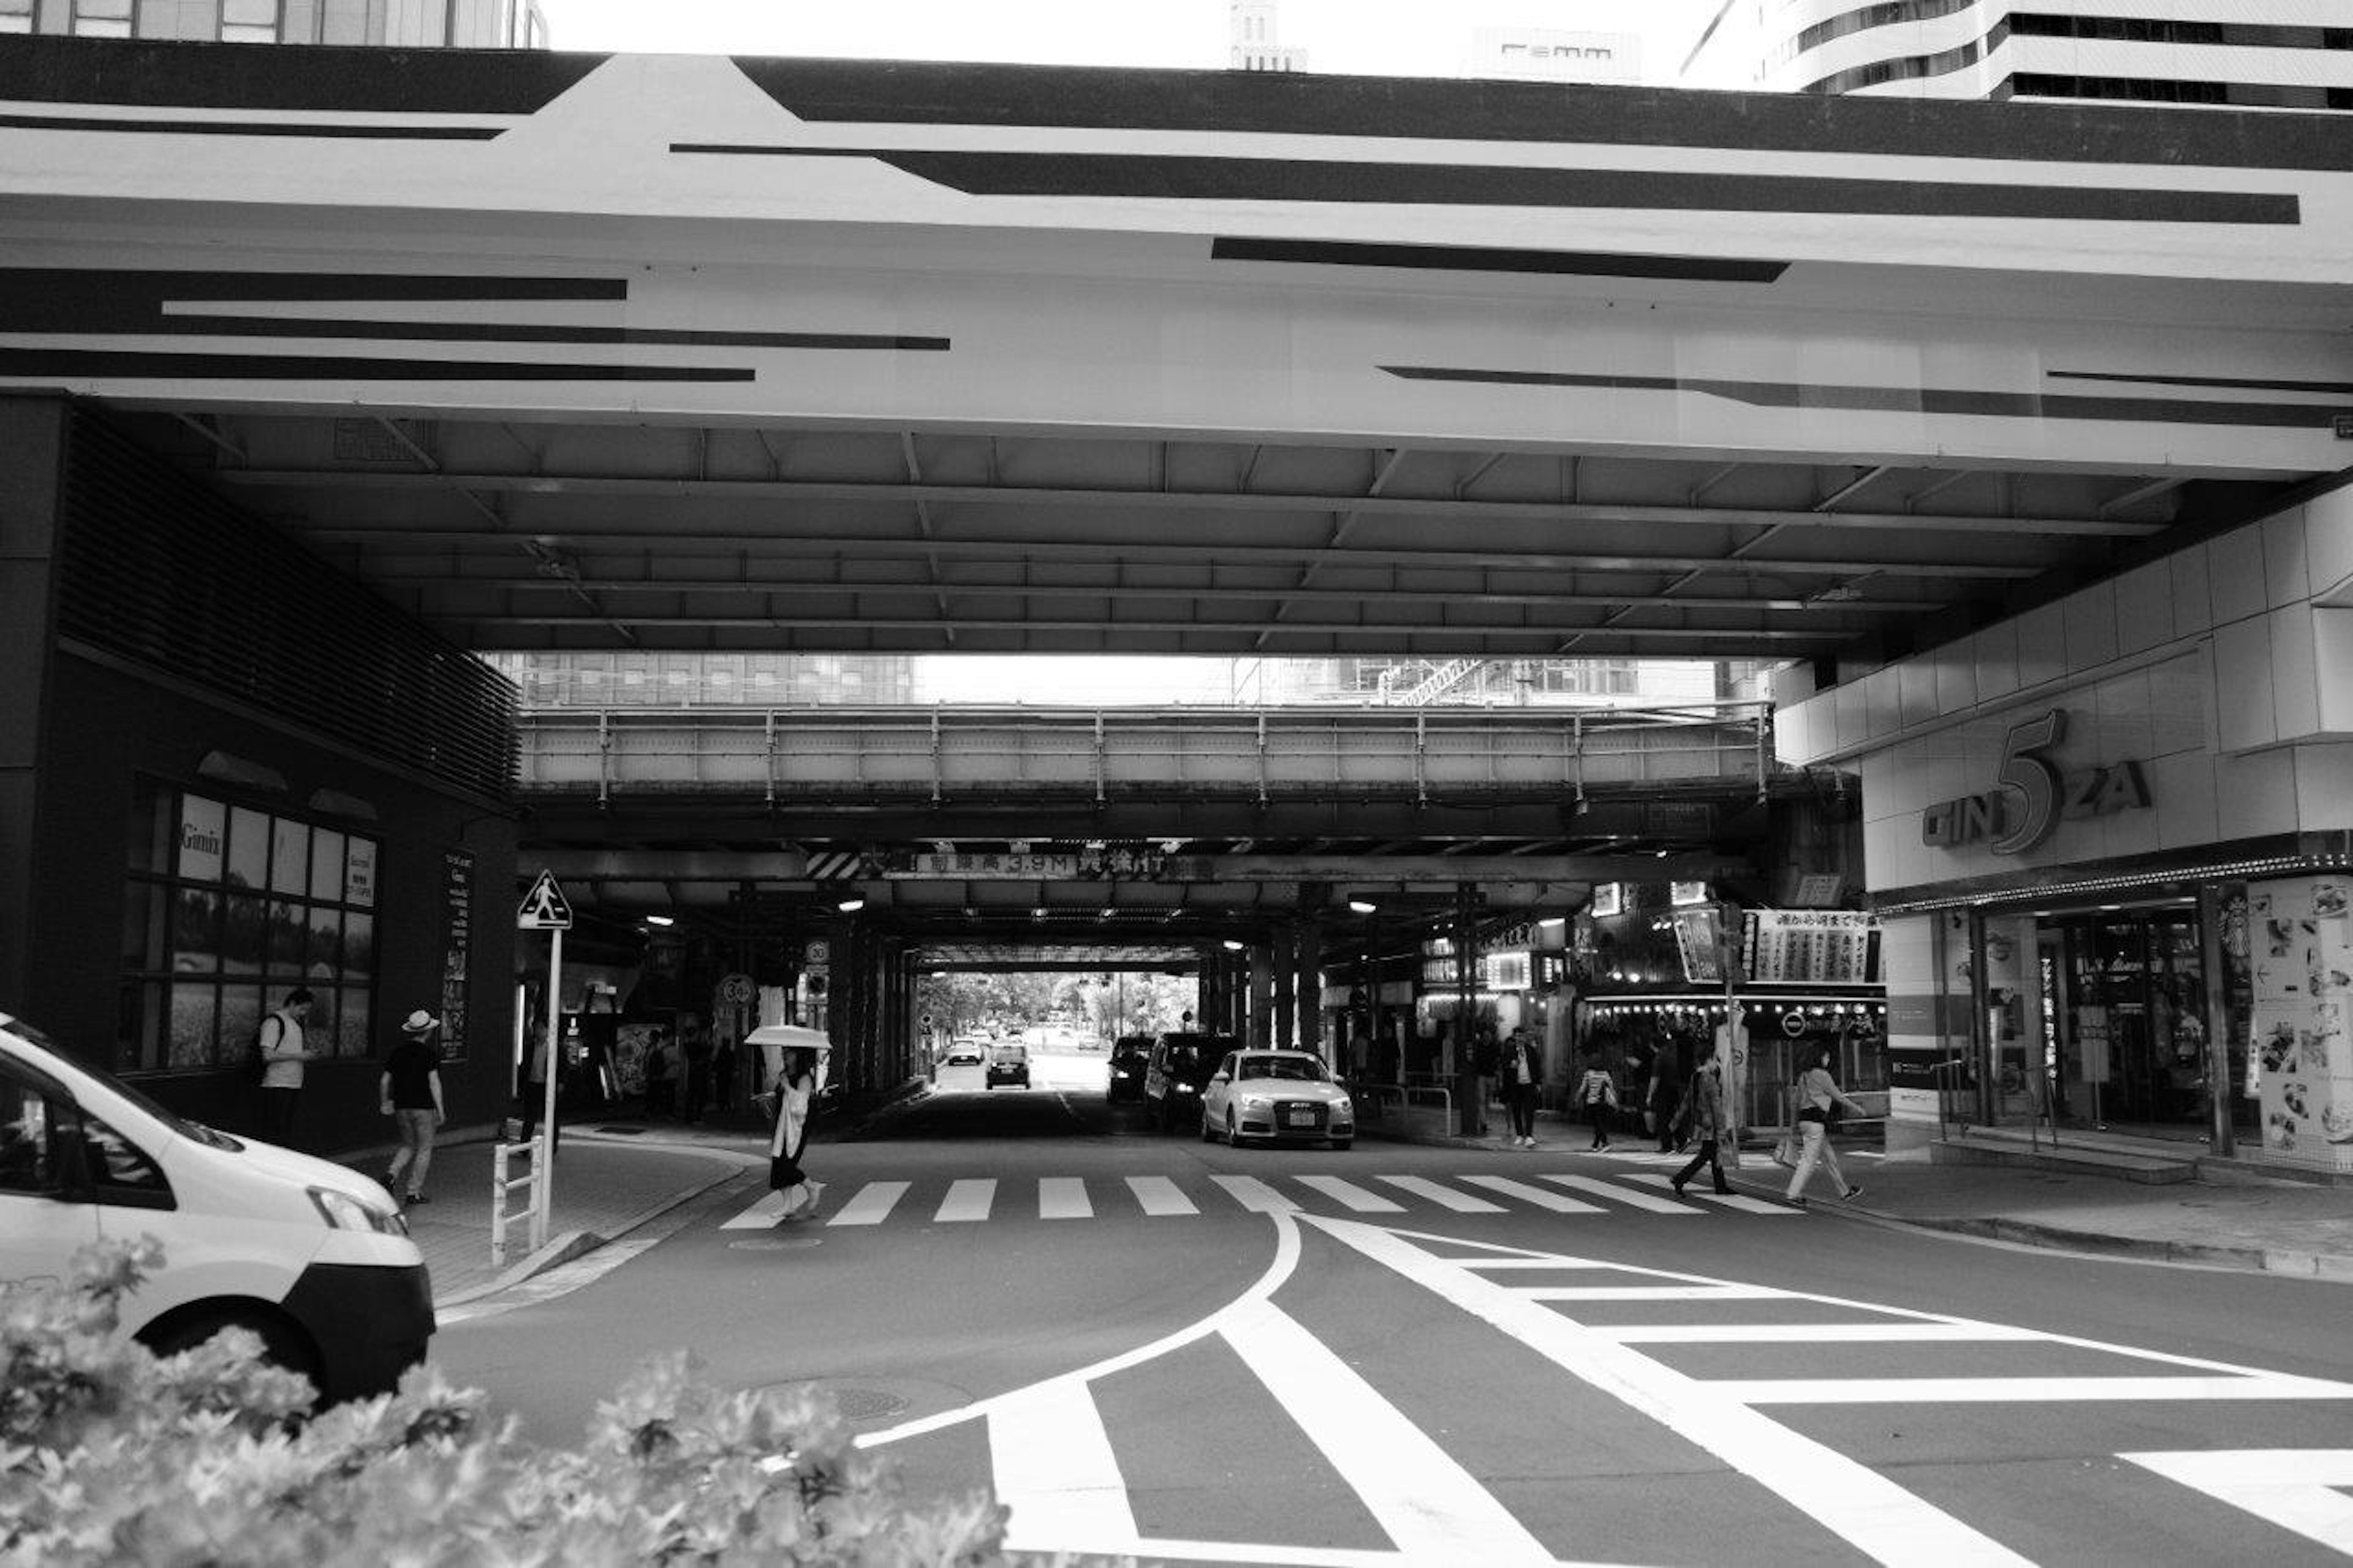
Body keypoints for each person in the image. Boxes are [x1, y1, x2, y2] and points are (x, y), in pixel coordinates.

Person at [1785, 1045, 1868, 1207]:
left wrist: (1793, 1125)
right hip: (1816, 1122)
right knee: (1809, 1160)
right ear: (1819, 1058)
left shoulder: (1804, 1076)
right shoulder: (1822, 1075)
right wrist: (1857, 1108)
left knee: (1830, 1158)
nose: (1828, 1060)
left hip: (1805, 1120)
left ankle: (1844, 1191)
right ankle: (1793, 1194)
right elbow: (1837, 1095)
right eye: (1826, 1057)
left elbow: (1796, 1101)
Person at [378, 1010, 446, 1205]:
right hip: (423, 1107)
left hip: (401, 1106)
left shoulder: (397, 1052)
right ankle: (413, 1192)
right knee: (425, 1148)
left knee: (408, 1144)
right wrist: (440, 1109)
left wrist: (385, 1102)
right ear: (428, 1032)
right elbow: (434, 1083)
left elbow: (384, 1081)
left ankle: (391, 1174)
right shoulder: (429, 1054)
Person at [256, 988, 321, 1147]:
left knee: (285, 1130)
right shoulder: (274, 1022)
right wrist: (299, 1056)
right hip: (277, 1084)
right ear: (292, 1004)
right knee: (274, 1130)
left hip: (293, 1083)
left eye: (307, 1010)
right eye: (302, 1008)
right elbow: (268, 1056)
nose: (304, 1013)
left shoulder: (295, 1024)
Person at [767, 1044, 825, 1221]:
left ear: (798, 1056)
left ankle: (810, 1187)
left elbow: (801, 1107)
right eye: (784, 1053)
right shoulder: (784, 1075)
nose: (786, 1057)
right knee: (778, 1163)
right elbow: (782, 1098)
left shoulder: (805, 1078)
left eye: (790, 1053)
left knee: (787, 1163)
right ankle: (787, 1205)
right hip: (781, 1126)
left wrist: (786, 1086)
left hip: (796, 1127)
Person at [1669, 1042, 1732, 1198]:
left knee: (1712, 1153)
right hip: (1710, 1123)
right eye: (1715, 1060)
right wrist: (1722, 1129)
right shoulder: (1709, 1079)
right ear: (1709, 1060)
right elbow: (1716, 1105)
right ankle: (1680, 1179)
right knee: (1706, 1155)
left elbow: (1687, 1100)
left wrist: (1676, 1120)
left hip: (1700, 1120)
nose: (1716, 1064)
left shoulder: (1695, 1076)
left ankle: (1721, 1186)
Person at [1499, 1026, 1542, 1148]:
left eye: (1521, 1036)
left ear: (1525, 1037)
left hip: (1529, 1083)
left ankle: (1529, 1136)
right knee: (1516, 1110)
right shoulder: (1510, 1051)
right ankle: (1519, 1135)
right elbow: (1503, 1066)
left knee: (1529, 1110)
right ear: (1514, 1037)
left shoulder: (1531, 1050)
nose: (1519, 1038)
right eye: (1517, 1036)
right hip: (1515, 1084)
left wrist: (1538, 1083)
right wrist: (1510, 1065)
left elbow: (1537, 1067)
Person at [1574, 1053, 1618, 1151]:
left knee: (1597, 1124)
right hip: (1604, 1102)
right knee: (1600, 1123)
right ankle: (1595, 1145)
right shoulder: (1606, 1074)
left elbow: (1583, 1089)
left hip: (1592, 1102)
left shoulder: (1588, 1074)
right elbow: (1612, 1088)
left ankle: (1606, 1143)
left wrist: (1577, 1098)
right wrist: (1615, 1101)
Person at [1646, 1047, 1683, 1153]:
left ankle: (1667, 1145)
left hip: (1663, 1091)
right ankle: (1682, 1139)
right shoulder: (1672, 1054)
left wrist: (1650, 1095)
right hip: (1674, 1089)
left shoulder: (1659, 1058)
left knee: (1662, 1118)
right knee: (1671, 1115)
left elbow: (1655, 1078)